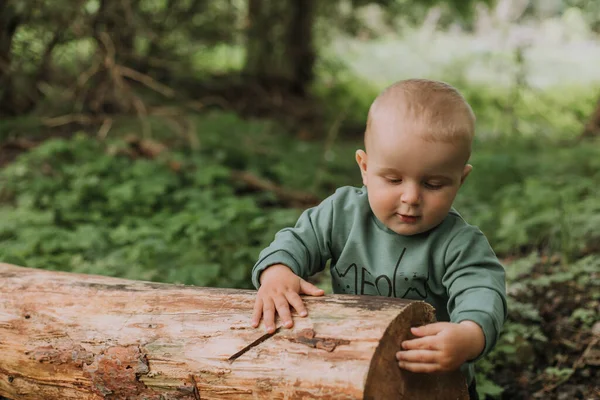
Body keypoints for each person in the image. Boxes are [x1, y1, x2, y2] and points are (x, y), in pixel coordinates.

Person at [250, 78, 507, 399]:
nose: (411, 197)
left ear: (460, 179)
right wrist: (277, 272)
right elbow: (297, 241)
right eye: (394, 179)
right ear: (365, 168)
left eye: (434, 184)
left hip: (433, 381)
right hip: (355, 367)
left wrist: (469, 337)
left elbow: (483, 291)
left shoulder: (459, 243)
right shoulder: (342, 214)